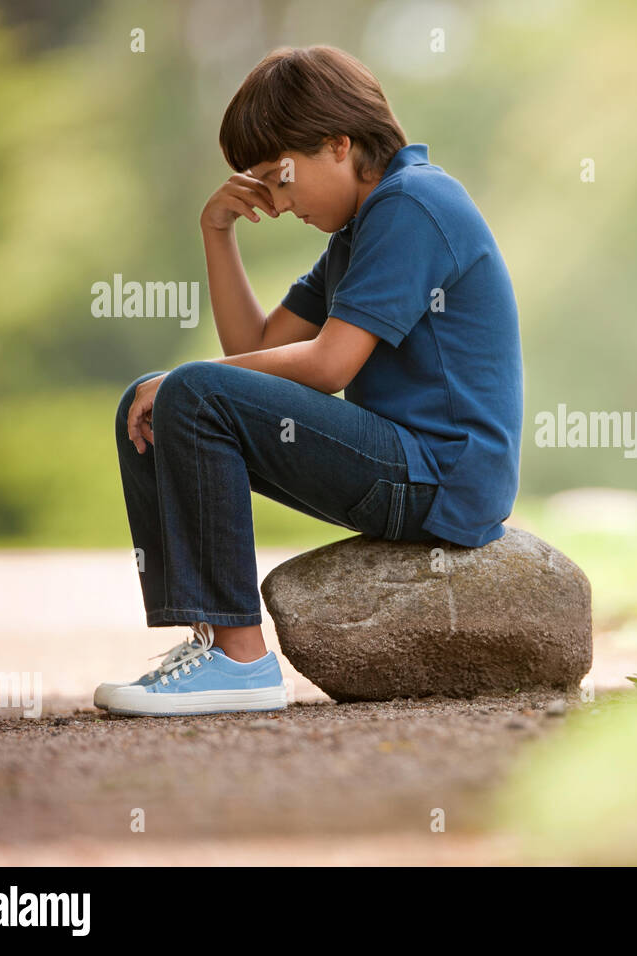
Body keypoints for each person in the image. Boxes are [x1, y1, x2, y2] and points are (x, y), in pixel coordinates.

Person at [95, 45, 523, 717]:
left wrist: (188, 380)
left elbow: (327, 367)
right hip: (399, 464)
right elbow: (255, 351)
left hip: (442, 475)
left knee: (186, 388)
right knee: (155, 395)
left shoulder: (414, 203)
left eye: (281, 177)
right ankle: (215, 643)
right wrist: (217, 230)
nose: (277, 199)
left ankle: (241, 663)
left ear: (338, 144)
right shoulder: (358, 231)